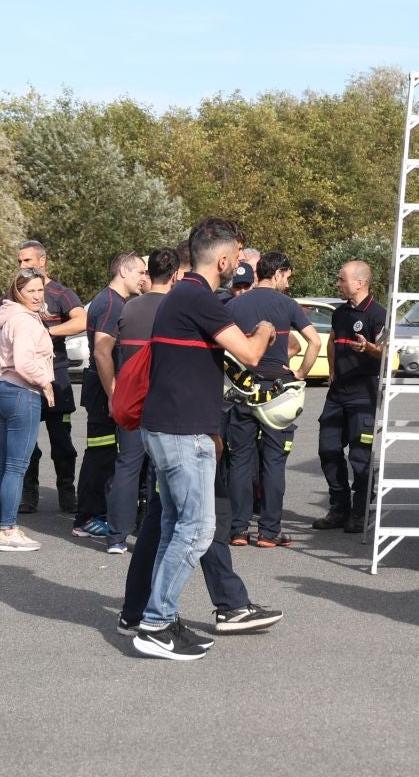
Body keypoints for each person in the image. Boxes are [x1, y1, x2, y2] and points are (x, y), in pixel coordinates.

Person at [126, 218, 277, 661]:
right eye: (237, 258)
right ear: (226, 259)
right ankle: (155, 625)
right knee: (196, 531)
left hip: (174, 428)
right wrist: (266, 332)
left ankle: (161, 618)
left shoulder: (182, 295)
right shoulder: (199, 297)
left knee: (176, 528)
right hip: (180, 432)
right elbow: (249, 354)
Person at [225, 250, 320, 547]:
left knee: (239, 460)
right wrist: (302, 372)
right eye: (287, 278)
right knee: (274, 462)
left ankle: (239, 529)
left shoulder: (235, 305)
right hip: (277, 392)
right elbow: (314, 341)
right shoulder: (288, 305)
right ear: (277, 274)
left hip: (244, 390)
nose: (288, 284)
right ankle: (269, 532)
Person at [102, 249, 176, 554]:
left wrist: (114, 392)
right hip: (164, 400)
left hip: (131, 398)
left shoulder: (128, 309)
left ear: (148, 274)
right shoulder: (176, 309)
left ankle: (116, 536)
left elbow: (104, 350)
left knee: (127, 466)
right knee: (162, 469)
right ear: (174, 276)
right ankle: (152, 532)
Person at [72, 253, 147, 539]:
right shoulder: (110, 304)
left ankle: (99, 512)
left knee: (108, 454)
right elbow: (102, 352)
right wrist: (113, 394)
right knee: (100, 454)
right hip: (104, 390)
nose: (143, 277)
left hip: (107, 388)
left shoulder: (118, 302)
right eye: (140, 271)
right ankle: (88, 517)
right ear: (124, 271)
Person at [314, 259, 386, 534]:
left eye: (342, 279)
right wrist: (332, 369)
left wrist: (369, 348)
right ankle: (339, 507)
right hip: (337, 393)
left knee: (360, 456)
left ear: (360, 282)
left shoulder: (377, 314)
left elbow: (386, 352)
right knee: (328, 450)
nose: (338, 284)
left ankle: (359, 510)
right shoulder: (340, 313)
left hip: (363, 395)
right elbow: (332, 341)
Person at [0, 267, 58, 551]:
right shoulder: (26, 322)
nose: (36, 295)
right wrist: (46, 383)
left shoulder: (6, 316)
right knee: (16, 467)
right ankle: (8, 529)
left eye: (40, 290)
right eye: (30, 290)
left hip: (5, 389)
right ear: (17, 291)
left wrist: (5, 361)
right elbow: (25, 362)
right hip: (22, 393)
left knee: (6, 465)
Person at [18, 241, 87, 515]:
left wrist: (49, 333)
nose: (22, 266)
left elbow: (81, 321)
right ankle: (28, 493)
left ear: (42, 261)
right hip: (26, 379)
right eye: (20, 261)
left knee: (62, 443)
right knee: (26, 442)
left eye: (27, 260)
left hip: (56, 377)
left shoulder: (60, 293)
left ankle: (67, 493)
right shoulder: (16, 292)